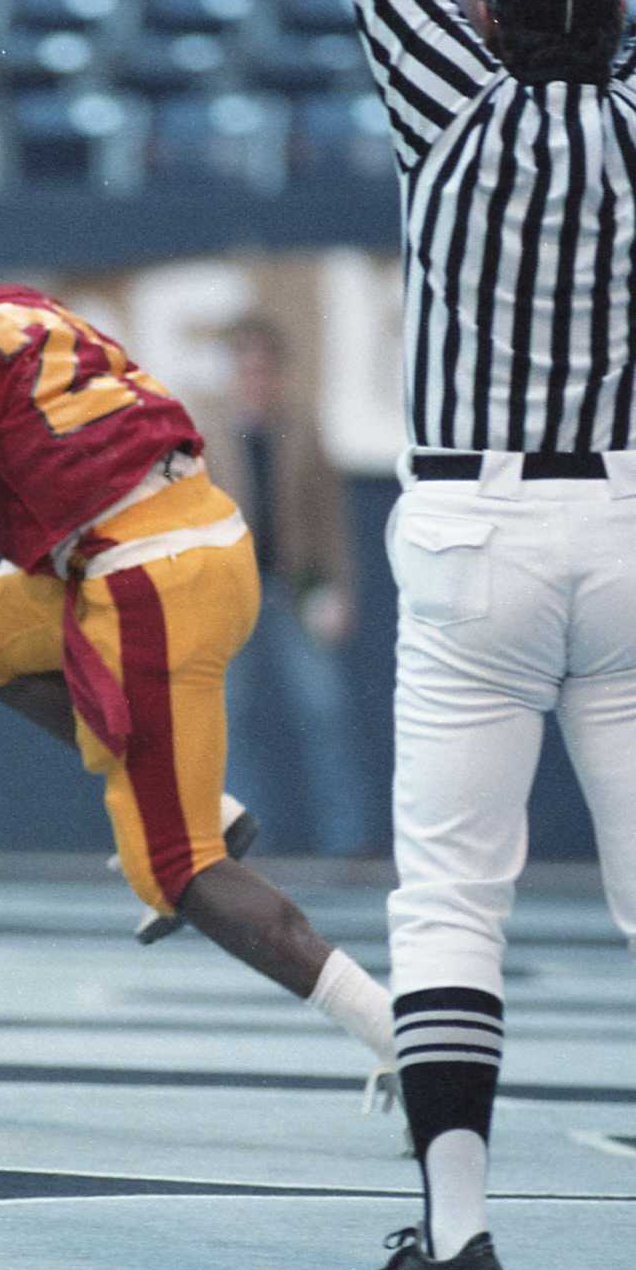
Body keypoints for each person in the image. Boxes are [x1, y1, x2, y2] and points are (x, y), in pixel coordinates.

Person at [340, 0, 636, 1270]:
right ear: (618, 23)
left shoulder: (452, 118)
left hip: (481, 529)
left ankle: (461, 1241)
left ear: (494, 17)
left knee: (454, 899)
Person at [0, 196, 399, 1096]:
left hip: (144, 577)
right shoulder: (17, 309)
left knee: (178, 871)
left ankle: (397, 1038)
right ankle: (203, 796)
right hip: (185, 538)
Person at [220, 316, 381, 862]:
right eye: (244, 367)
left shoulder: (300, 428)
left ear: (278, 373)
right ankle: (241, 840)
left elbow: (332, 520)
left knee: (325, 710)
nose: (253, 378)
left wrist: (339, 590)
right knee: (225, 719)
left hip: (296, 586)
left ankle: (348, 839)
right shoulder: (208, 432)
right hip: (230, 591)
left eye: (263, 367)